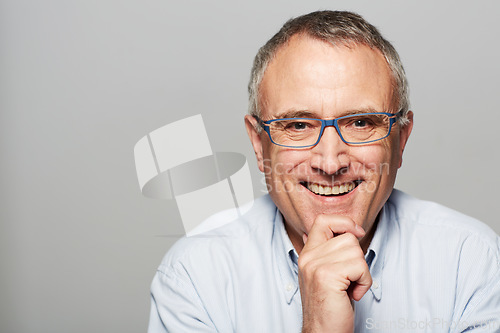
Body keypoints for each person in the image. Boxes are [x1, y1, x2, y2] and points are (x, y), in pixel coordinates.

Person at [148, 10, 500, 332]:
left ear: (401, 139)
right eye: (298, 125)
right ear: (258, 143)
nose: (330, 163)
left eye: (361, 122)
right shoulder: (193, 278)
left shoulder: (472, 263)